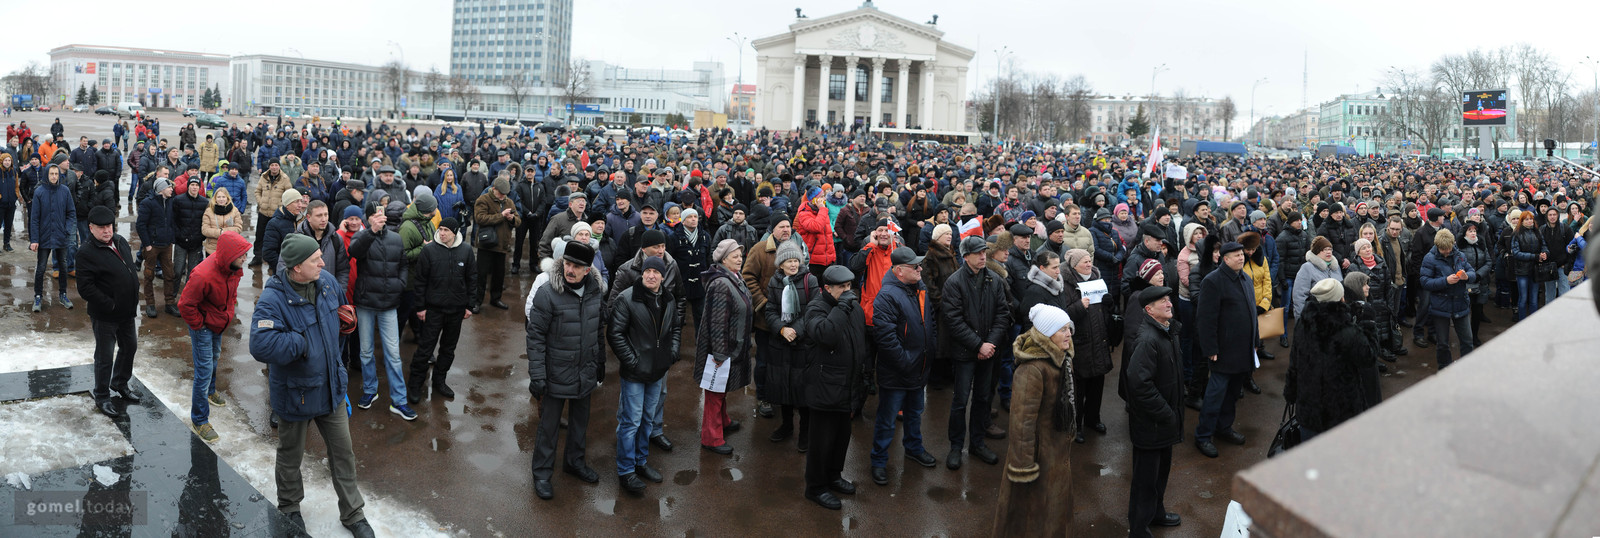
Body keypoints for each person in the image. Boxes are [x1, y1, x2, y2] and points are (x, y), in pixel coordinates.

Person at [249, 234, 376, 538]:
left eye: (321, 256)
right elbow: (260, 344)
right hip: (297, 393)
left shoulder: (327, 282)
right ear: (295, 268)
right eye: (314, 260)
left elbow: (342, 312)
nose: (322, 262)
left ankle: (353, 513)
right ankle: (290, 508)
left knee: (343, 452)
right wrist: (300, 343)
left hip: (331, 386)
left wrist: (345, 325)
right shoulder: (273, 298)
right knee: (291, 455)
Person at [527, 240, 607, 500]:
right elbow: (535, 336)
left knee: (579, 423)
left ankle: (574, 463)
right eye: (568, 264)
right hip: (554, 373)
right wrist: (537, 375)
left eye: (577, 266)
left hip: (585, 369)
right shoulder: (548, 293)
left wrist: (600, 363)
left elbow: (598, 330)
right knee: (548, 427)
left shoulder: (596, 292)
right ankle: (541, 473)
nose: (570, 270)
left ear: (587, 269)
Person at [991, 304, 1077, 537]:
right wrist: (1024, 466)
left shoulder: (1061, 359)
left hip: (1055, 450)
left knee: (1053, 509)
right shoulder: (1032, 369)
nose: (1068, 333)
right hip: (1039, 455)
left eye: (1069, 328)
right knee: (1032, 516)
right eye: (1062, 330)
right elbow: (1021, 422)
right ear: (1048, 334)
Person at [607, 256, 680, 494]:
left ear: (662, 275)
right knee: (631, 422)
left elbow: (676, 327)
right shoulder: (627, 298)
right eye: (647, 271)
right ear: (642, 274)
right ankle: (626, 471)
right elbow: (615, 333)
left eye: (655, 272)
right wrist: (632, 361)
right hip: (635, 373)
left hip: (657, 370)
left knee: (648, 419)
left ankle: (640, 462)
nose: (651, 275)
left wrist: (672, 353)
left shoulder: (668, 298)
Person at [868, 246, 940, 484]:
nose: (920, 269)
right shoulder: (887, 296)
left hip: (919, 368)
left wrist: (930, 351)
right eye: (914, 266)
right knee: (887, 421)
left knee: (914, 414)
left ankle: (914, 448)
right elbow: (886, 338)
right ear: (899, 271)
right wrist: (907, 362)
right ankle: (878, 461)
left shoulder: (919, 288)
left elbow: (930, 322)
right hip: (898, 373)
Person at [941, 235, 1013, 470]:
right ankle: (955, 446)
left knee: (983, 399)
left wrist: (989, 344)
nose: (983, 256)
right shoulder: (954, 282)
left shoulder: (994, 279)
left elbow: (1003, 314)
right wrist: (978, 345)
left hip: (988, 351)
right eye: (978, 253)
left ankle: (978, 443)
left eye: (984, 252)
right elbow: (953, 320)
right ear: (966, 257)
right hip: (965, 352)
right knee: (960, 401)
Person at [801, 265, 867, 510]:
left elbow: (861, 342)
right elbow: (826, 334)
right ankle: (815, 487)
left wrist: (864, 376)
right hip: (824, 386)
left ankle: (833, 475)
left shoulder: (852, 307)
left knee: (841, 437)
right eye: (842, 287)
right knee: (821, 441)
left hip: (847, 385)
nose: (848, 291)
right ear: (827, 288)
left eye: (849, 286)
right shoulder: (816, 308)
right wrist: (842, 307)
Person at [1284, 278, 1381, 441]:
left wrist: (1291, 393)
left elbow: (1294, 364)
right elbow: (1369, 357)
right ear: (1341, 298)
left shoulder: (1303, 324)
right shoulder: (1347, 331)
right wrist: (1369, 323)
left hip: (1309, 412)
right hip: (1342, 414)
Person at [177, 231, 251, 442]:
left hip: (218, 322)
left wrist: (225, 314)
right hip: (203, 326)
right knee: (204, 369)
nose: (245, 259)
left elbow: (232, 293)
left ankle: (210, 391)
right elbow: (185, 304)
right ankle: (199, 420)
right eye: (242, 255)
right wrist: (200, 325)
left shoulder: (233, 268)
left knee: (215, 356)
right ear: (229, 255)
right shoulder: (203, 275)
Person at [1124, 286, 1184, 537]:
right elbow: (1139, 384)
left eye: (1169, 299)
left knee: (1160, 474)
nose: (1169, 304)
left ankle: (1156, 514)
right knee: (1145, 481)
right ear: (1149, 310)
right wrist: (1167, 414)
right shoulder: (1148, 339)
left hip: (1164, 424)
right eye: (1163, 302)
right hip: (1153, 424)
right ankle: (1138, 529)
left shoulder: (1168, 331)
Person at [347, 202, 413, 419]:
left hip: (389, 304)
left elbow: (404, 264)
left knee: (393, 355)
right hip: (366, 303)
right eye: (375, 215)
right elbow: (354, 252)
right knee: (365, 352)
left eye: (381, 214)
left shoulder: (395, 238)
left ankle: (399, 401)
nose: (379, 217)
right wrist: (371, 231)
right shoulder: (362, 236)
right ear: (368, 218)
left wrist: (400, 284)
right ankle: (369, 390)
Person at [1193, 241, 1257, 459]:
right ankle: (1203, 435)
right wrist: (1210, 347)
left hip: (1243, 349)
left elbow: (1251, 312)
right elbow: (1205, 318)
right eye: (1236, 255)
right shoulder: (1213, 281)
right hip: (1222, 350)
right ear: (1224, 258)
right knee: (1215, 394)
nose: (1241, 257)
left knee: (1232, 394)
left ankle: (1224, 427)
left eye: (1242, 254)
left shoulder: (1245, 278)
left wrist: (1255, 340)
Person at [77, 206, 141, 418]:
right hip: (106, 314)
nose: (107, 231)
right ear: (91, 228)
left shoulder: (120, 241)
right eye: (102, 227)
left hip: (127, 311)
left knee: (129, 347)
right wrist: (110, 304)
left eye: (109, 226)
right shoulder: (86, 252)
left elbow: (128, 269)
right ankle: (102, 395)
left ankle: (120, 383)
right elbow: (85, 288)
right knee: (105, 357)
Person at [409, 218, 477, 403]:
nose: (442, 233)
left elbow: (472, 279)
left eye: (446, 230)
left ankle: (440, 380)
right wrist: (421, 307)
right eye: (440, 229)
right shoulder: (429, 250)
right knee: (425, 349)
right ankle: (415, 384)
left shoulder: (465, 251)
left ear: (455, 232)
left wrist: (470, 305)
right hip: (433, 310)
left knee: (448, 349)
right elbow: (420, 280)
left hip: (456, 310)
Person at [696, 239, 754, 455]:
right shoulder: (721, 283)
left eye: (740, 255)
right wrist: (719, 352)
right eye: (734, 256)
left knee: (722, 387)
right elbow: (717, 322)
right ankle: (711, 437)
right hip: (721, 348)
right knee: (714, 391)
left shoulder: (734, 277)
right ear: (723, 259)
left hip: (732, 344)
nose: (739, 259)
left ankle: (723, 419)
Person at [762, 240, 819, 448]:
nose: (793, 265)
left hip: (802, 343)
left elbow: (813, 310)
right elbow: (770, 311)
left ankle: (805, 431)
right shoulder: (775, 282)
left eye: (796, 260)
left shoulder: (810, 280)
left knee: (802, 389)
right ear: (781, 265)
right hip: (781, 342)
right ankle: (786, 425)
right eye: (789, 261)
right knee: (782, 386)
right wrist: (781, 329)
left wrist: (795, 330)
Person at [1061, 249, 1113, 444]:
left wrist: (1110, 304)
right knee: (1079, 388)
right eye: (1084, 261)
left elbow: (1105, 312)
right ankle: (1077, 425)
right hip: (1080, 342)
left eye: (1090, 260)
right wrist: (1078, 306)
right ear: (1074, 265)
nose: (1089, 264)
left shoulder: (1097, 279)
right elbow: (1063, 314)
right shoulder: (1066, 284)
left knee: (1097, 385)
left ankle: (1094, 419)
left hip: (1098, 339)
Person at [1420, 228, 1475, 368]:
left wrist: (1466, 276)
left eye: (1449, 248)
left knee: (1468, 341)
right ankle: (1444, 370)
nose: (1447, 252)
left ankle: (1467, 368)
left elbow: (1472, 272)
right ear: (1437, 246)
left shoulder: (1460, 255)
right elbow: (1425, 282)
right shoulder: (1429, 258)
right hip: (1441, 306)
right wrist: (1445, 281)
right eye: (1444, 249)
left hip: (1460, 303)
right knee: (1443, 344)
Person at [30, 165, 75, 312]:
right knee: (41, 267)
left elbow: (71, 213)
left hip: (61, 236)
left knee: (63, 266)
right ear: (47, 175)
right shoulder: (39, 192)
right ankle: (38, 296)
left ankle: (63, 294)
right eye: (51, 173)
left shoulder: (65, 191)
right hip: (44, 237)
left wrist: (67, 230)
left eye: (56, 174)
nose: (54, 176)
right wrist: (34, 239)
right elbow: (34, 218)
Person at [473, 177, 520, 310]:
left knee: (499, 275)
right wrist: (501, 215)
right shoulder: (483, 200)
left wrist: (512, 219)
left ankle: (496, 299)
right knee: (481, 275)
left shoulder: (509, 202)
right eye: (500, 193)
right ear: (494, 189)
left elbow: (518, 221)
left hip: (502, 244)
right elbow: (480, 219)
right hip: (486, 244)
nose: (502, 197)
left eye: (505, 194)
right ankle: (477, 302)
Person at [250, 160, 294, 266]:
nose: (274, 167)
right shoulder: (263, 177)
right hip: (263, 212)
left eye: (276, 165)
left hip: (276, 214)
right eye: (272, 165)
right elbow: (257, 191)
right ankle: (257, 257)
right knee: (259, 236)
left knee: (275, 238)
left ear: (279, 166)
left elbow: (289, 194)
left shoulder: (285, 179)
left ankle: (274, 260)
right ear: (269, 166)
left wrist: (280, 206)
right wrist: (260, 202)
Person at [1509, 209, 1546, 321]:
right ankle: (1522, 321)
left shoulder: (1537, 232)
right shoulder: (1517, 234)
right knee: (1523, 298)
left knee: (1534, 299)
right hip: (1522, 271)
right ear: (1522, 221)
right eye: (1526, 219)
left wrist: (1545, 253)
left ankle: (1533, 323)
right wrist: (1534, 256)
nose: (1529, 221)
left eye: (1531, 219)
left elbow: (1544, 245)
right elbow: (1516, 253)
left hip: (1535, 270)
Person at [1292, 236, 1343, 317]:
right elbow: (1299, 296)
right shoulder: (1307, 268)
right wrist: (1302, 320)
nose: (1328, 252)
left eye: (1330, 249)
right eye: (1324, 250)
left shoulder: (1335, 267)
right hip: (1317, 317)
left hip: (1336, 317)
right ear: (1316, 252)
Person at [262, 188, 308, 277]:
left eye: (300, 201)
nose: (300, 205)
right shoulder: (274, 224)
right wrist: (284, 269)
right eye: (296, 202)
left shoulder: (303, 220)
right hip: (284, 272)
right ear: (287, 205)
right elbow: (268, 252)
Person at [201, 187, 245, 255]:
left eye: (223, 197)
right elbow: (205, 230)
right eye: (219, 197)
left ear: (227, 198)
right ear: (215, 199)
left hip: (229, 248)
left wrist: (224, 232)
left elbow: (238, 228)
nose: (221, 199)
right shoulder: (208, 211)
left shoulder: (234, 211)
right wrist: (219, 232)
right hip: (212, 249)